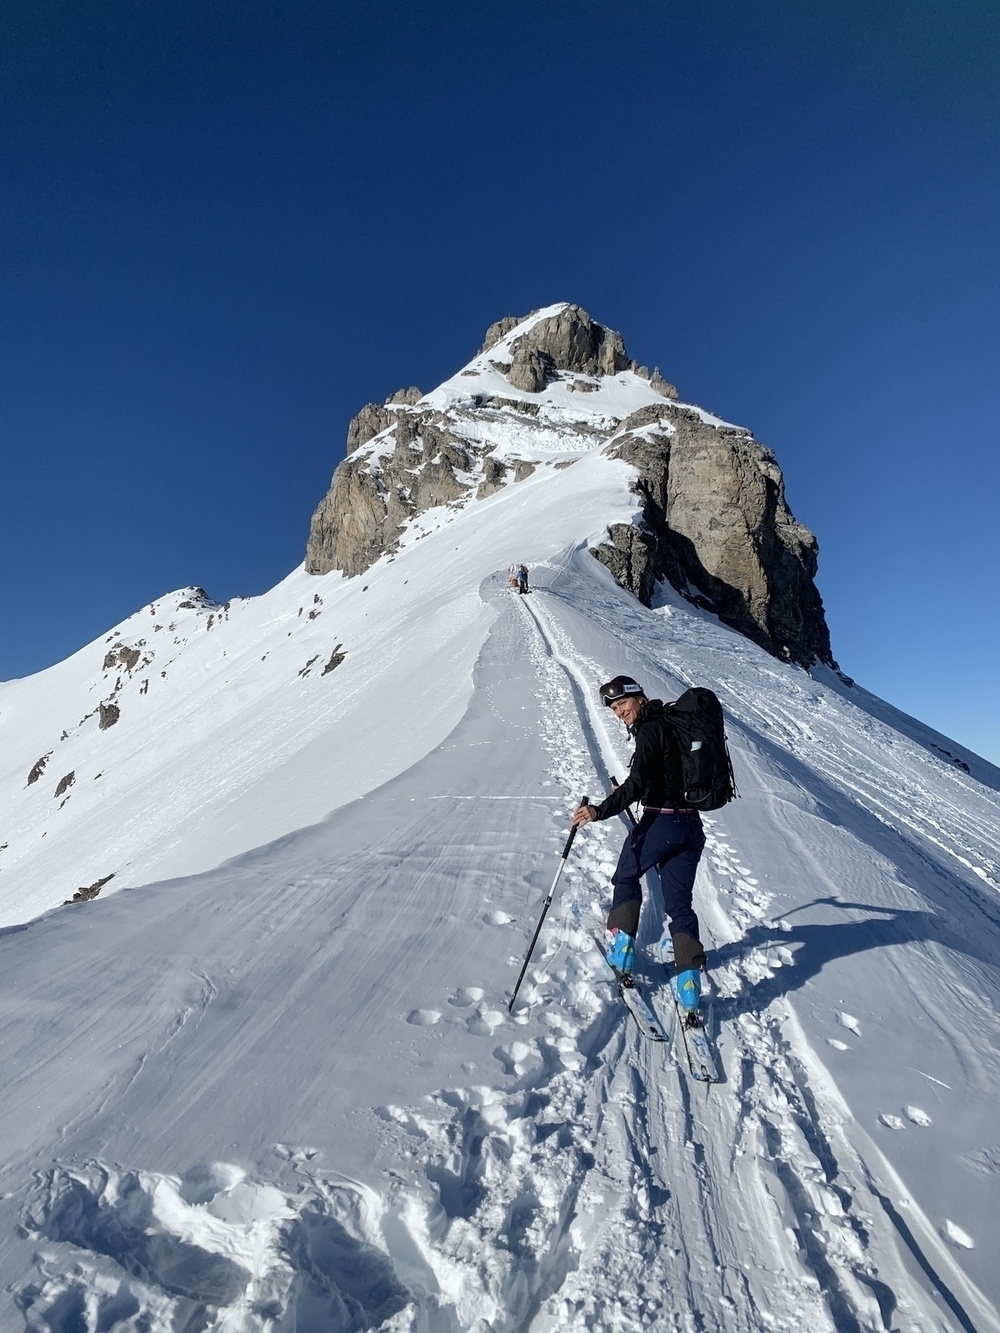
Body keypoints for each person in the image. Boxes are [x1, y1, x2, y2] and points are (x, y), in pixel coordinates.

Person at [572, 675, 706, 1011]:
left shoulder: (650, 729)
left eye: (623, 704)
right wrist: (640, 790)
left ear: (639, 698)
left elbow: (639, 780)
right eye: (614, 708)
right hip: (690, 827)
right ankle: (689, 983)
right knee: (679, 904)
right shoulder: (673, 726)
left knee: (627, 876)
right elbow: (668, 775)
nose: (619, 712)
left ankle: (622, 950)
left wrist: (599, 810)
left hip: (661, 823)